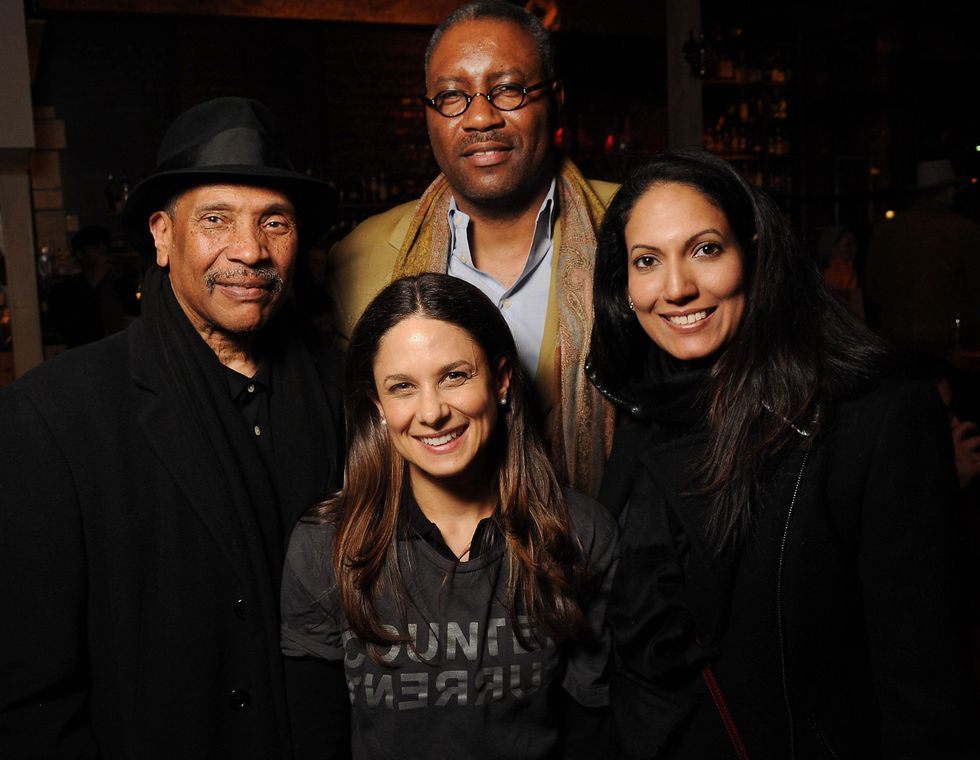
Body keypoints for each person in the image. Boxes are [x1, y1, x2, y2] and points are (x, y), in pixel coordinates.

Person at [586, 148, 979, 758]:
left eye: (706, 249)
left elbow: (924, 690)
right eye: (647, 261)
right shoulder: (643, 410)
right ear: (624, 283)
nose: (677, 289)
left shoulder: (875, 418)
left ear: (755, 251)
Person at [0, 97, 345, 757]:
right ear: (162, 236)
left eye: (274, 221)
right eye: (216, 219)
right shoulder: (56, 417)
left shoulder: (348, 389)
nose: (249, 251)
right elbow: (29, 702)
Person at [281, 273, 617, 760]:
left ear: (501, 380)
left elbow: (590, 733)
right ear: (377, 406)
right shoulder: (325, 544)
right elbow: (316, 735)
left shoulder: (580, 533)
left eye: (454, 375)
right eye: (402, 387)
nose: (432, 411)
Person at [326, 0, 618, 496]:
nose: (480, 117)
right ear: (428, 114)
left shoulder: (632, 229)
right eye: (452, 96)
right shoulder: (359, 259)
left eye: (508, 89)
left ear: (556, 99)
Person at [865, 158, 980, 349]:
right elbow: (975, 290)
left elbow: (872, 287)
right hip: (947, 340)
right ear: (948, 192)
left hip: (896, 338)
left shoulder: (885, 231)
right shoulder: (965, 231)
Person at [45, 224, 139, 347]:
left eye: (105, 247)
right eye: (95, 248)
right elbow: (71, 327)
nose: (102, 253)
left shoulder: (120, 283)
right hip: (86, 357)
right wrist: (94, 283)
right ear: (80, 254)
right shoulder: (66, 290)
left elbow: (134, 314)